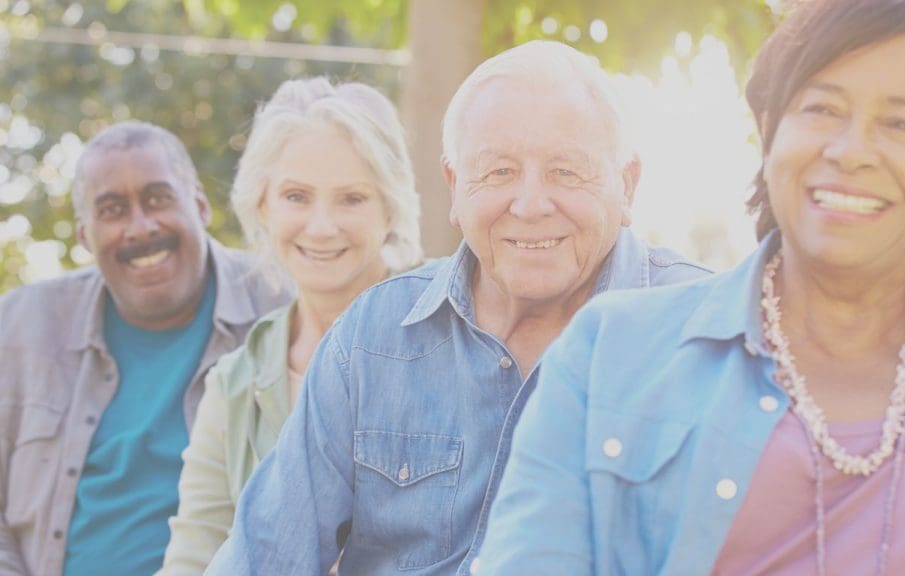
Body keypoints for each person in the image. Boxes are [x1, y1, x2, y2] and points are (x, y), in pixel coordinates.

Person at [475, 0, 905, 575]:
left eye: (903, 124)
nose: (851, 150)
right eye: (822, 108)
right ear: (768, 134)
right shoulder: (608, 354)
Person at [205, 40, 710, 575]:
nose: (531, 205)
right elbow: (264, 556)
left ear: (627, 184)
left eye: (567, 171)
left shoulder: (704, 336)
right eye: (497, 172)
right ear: (453, 186)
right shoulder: (373, 338)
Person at [0, 121, 290, 576]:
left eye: (158, 199)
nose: (140, 227)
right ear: (84, 236)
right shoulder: (19, 329)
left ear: (199, 205)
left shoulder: (283, 308)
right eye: (113, 210)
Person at [158, 78, 422, 575]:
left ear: (390, 208)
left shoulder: (452, 344)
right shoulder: (234, 385)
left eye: (351, 199)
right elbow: (194, 558)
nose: (321, 226)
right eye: (297, 196)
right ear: (262, 205)